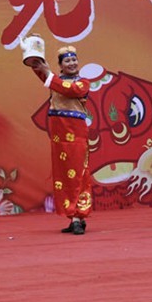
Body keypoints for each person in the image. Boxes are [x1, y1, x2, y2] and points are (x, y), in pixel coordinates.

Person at [29, 46, 92, 235]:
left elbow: (70, 90)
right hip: (59, 135)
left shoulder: (83, 83)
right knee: (63, 175)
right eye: (67, 61)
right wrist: (34, 50)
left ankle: (78, 215)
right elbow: (39, 69)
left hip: (76, 133)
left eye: (74, 60)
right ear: (61, 65)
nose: (72, 63)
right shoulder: (54, 81)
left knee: (79, 174)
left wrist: (48, 72)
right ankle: (73, 217)